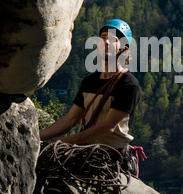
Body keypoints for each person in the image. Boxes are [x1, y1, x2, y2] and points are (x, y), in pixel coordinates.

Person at [39, 19, 141, 152]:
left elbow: (109, 126)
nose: (106, 41)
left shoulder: (128, 85)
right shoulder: (89, 82)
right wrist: (37, 137)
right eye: (103, 37)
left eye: (112, 39)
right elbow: (71, 119)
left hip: (110, 154)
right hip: (84, 150)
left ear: (123, 48)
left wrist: (68, 140)